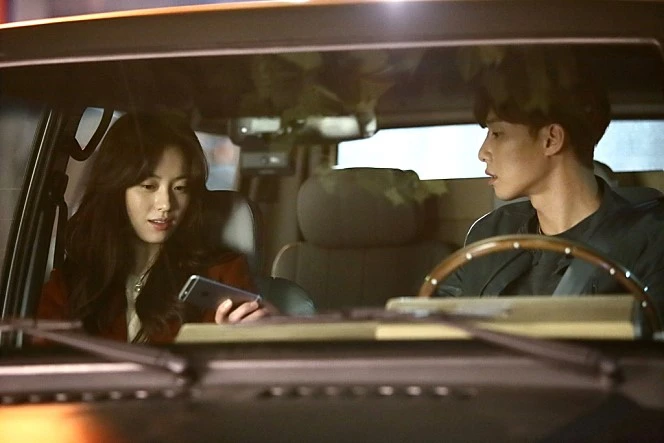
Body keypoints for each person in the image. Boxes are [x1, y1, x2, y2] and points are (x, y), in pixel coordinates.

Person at [437, 46, 664, 324]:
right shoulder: (490, 236)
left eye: (497, 133)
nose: (482, 152)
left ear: (551, 139)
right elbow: (439, 327)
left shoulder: (650, 242)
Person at [38, 111, 271, 344]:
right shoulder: (73, 281)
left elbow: (246, 350)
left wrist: (250, 333)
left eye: (180, 188)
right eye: (149, 186)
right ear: (116, 189)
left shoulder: (221, 275)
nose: (166, 204)